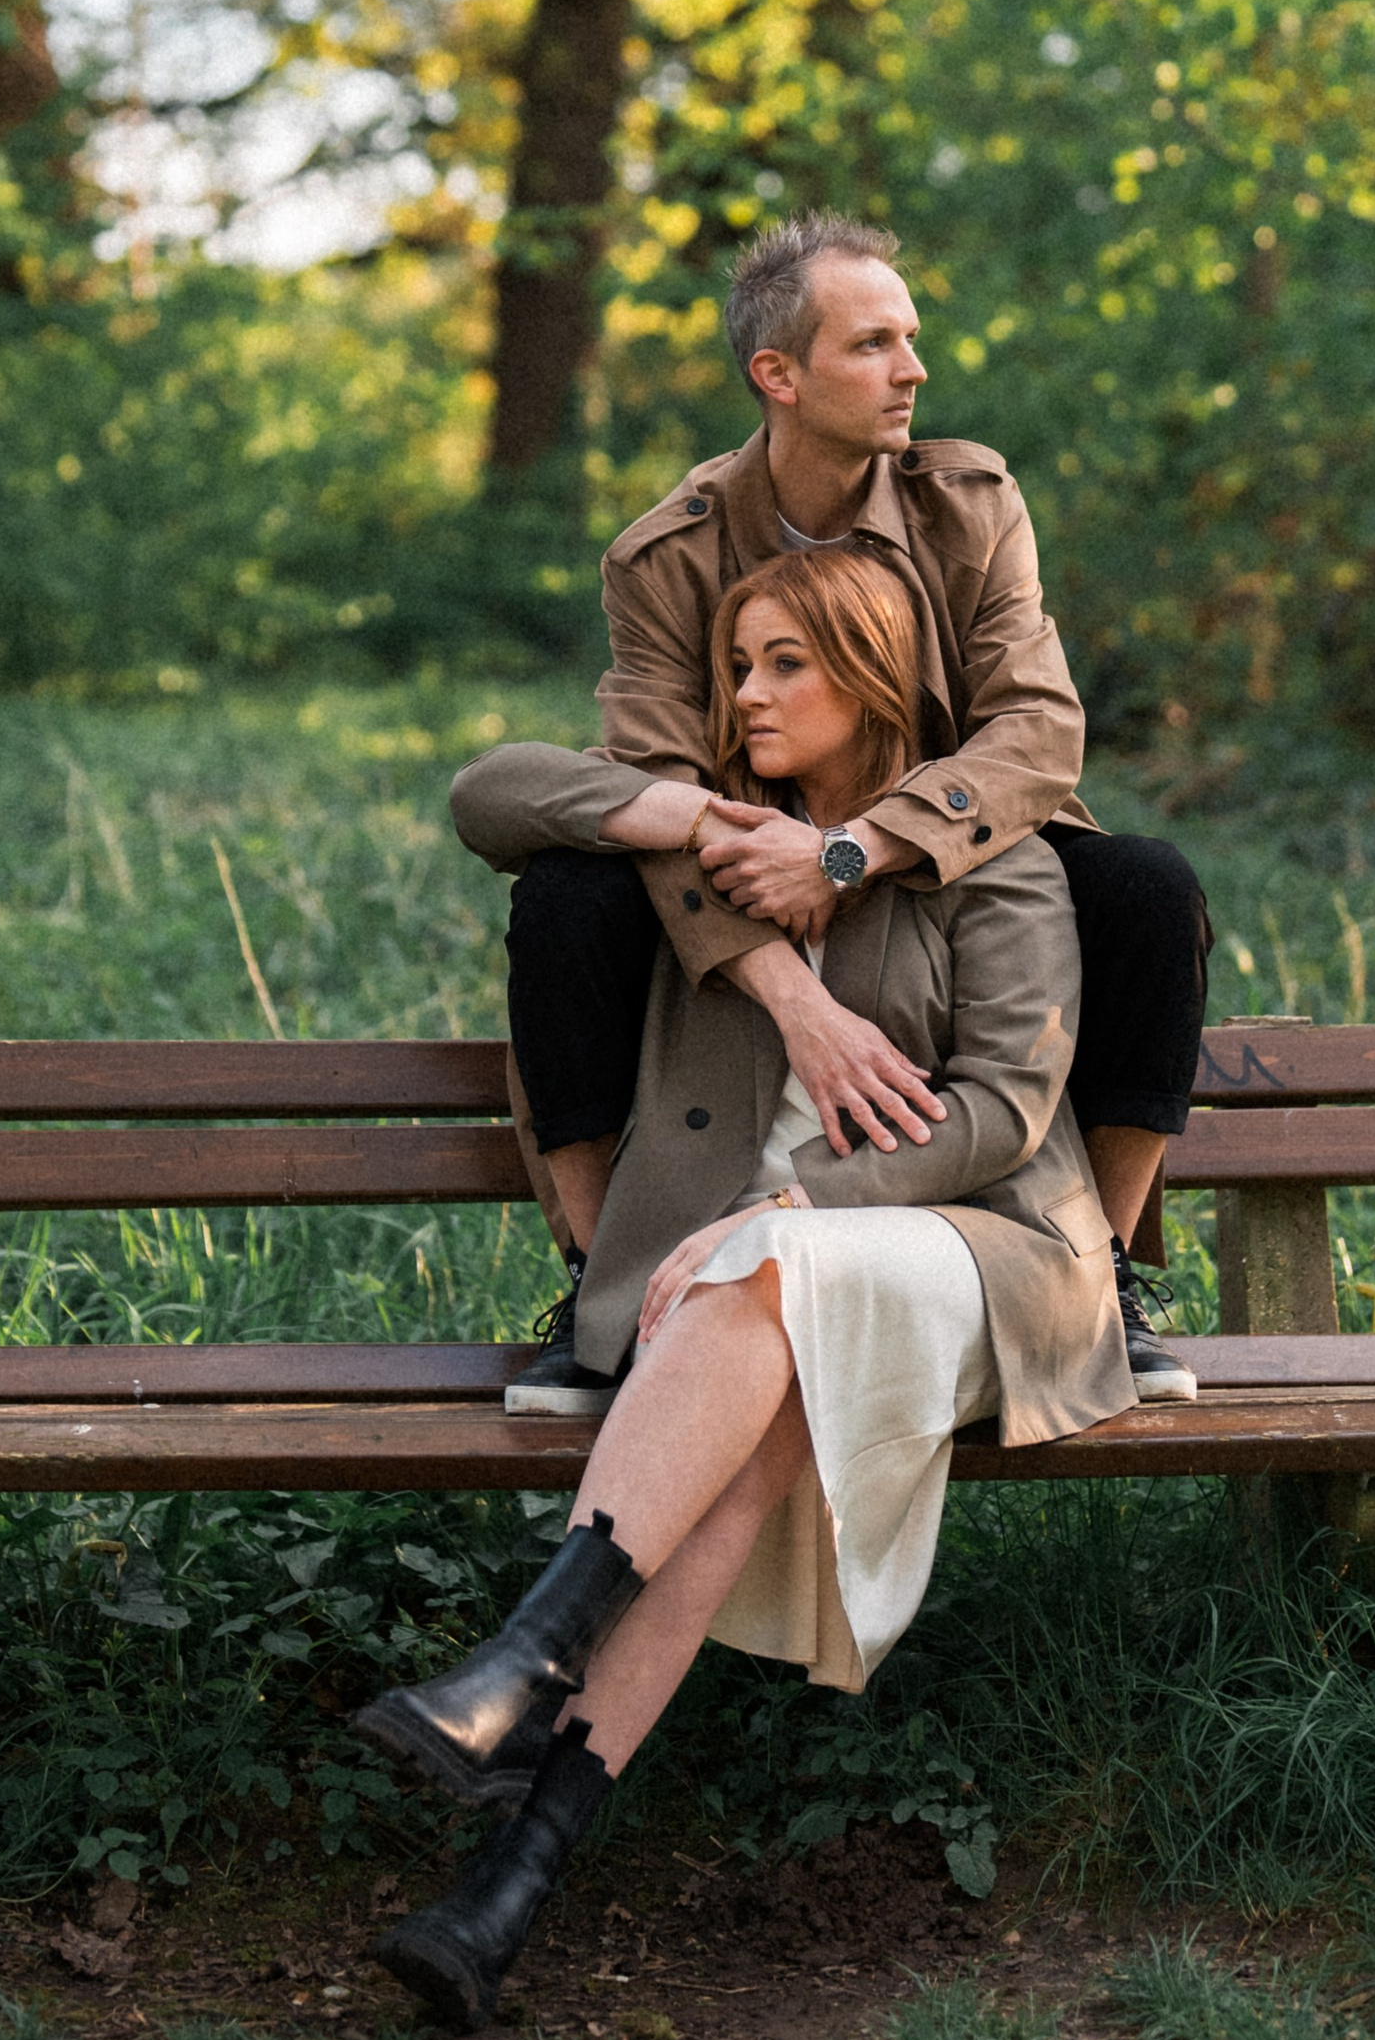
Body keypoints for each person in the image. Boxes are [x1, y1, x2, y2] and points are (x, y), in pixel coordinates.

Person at [361, 547, 1132, 2031]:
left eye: (787, 663)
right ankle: (504, 1892)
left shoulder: (996, 860)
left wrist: (797, 1204)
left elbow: (1005, 1112)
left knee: (775, 1271)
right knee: (736, 1437)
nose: (748, 694)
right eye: (735, 665)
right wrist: (698, 814)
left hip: (977, 1256)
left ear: (873, 676)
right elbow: (493, 795)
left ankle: (523, 1660)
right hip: (762, 1288)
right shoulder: (710, 853)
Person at [475, 209, 1210, 1414]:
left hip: (957, 851)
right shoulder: (665, 559)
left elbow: (1036, 731)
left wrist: (853, 849)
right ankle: (608, 1291)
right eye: (873, 344)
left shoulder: (969, 505)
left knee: (1146, 890)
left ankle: (1102, 1276)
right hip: (740, 869)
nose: (912, 369)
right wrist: (793, 992)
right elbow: (658, 784)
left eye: (908, 338)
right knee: (568, 898)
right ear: (779, 374)